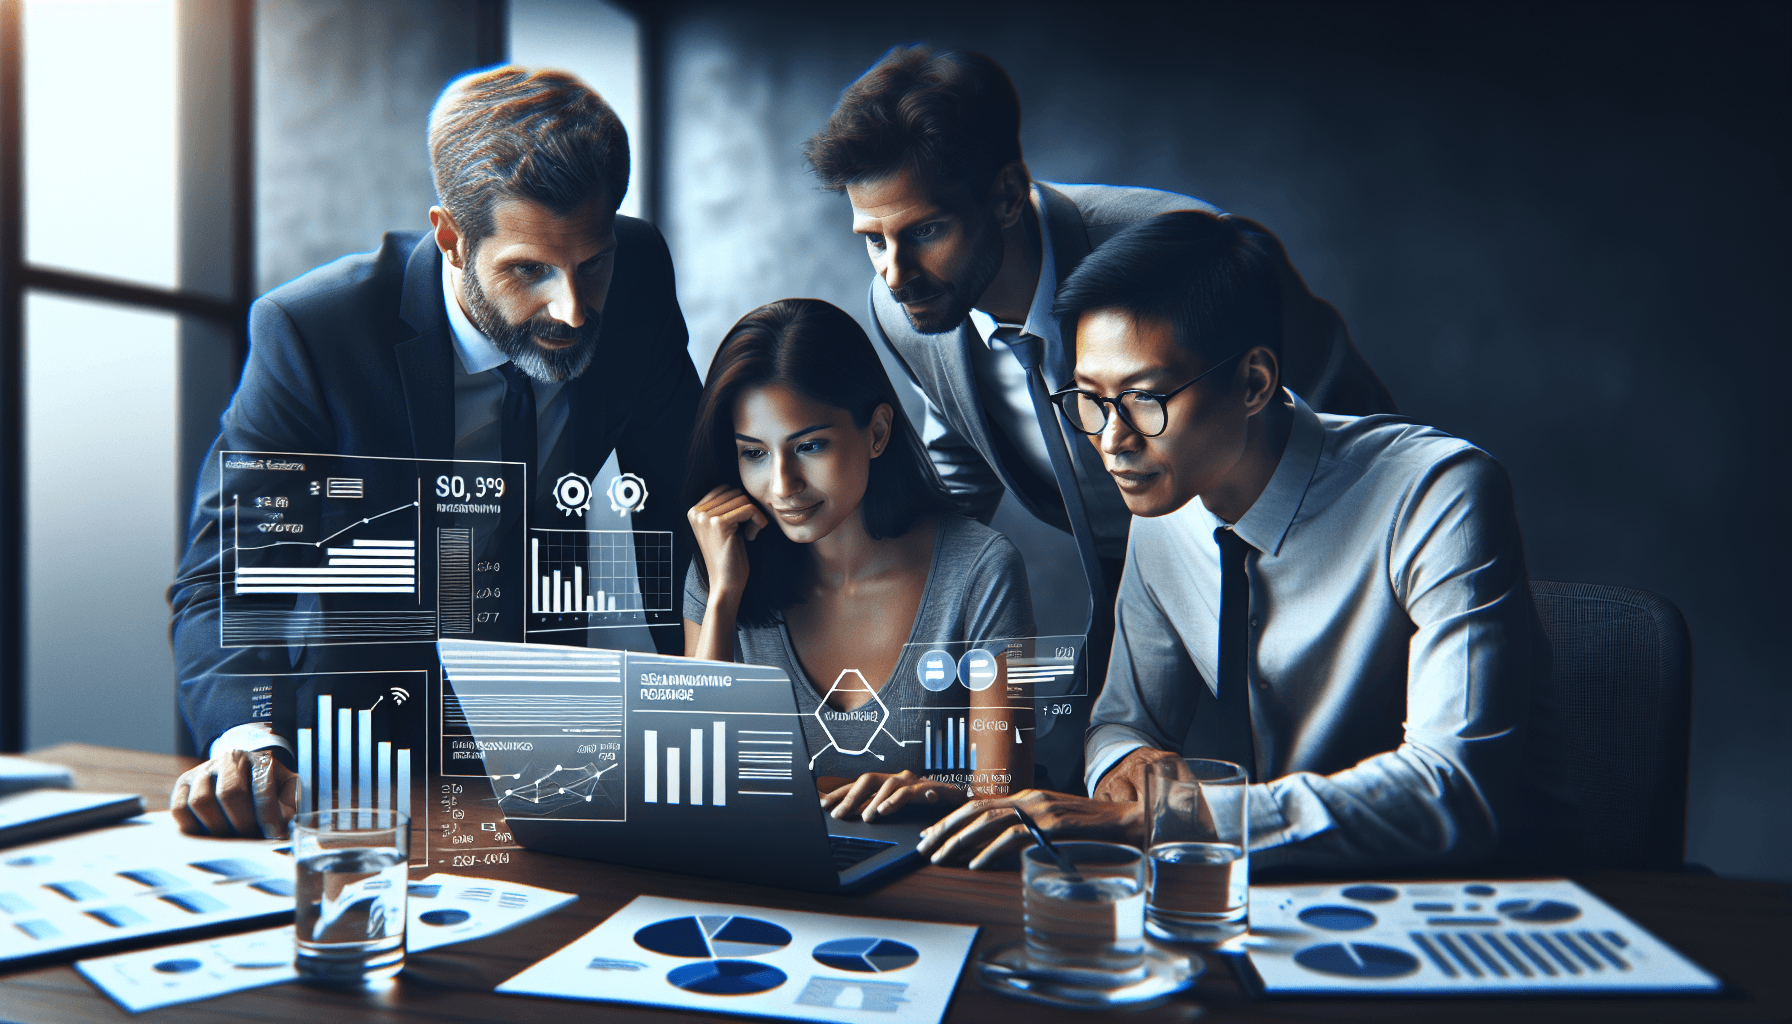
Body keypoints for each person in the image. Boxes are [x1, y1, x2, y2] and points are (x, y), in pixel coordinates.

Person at [805, 45, 1397, 793]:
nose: (894, 274)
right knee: (1117, 792)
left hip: (1304, 574)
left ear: (1008, 196)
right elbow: (960, 449)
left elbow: (1353, 424)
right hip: (1130, 599)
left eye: (924, 232)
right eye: (872, 240)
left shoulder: (1186, 252)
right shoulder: (904, 310)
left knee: (1330, 803)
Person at [913, 211, 1572, 871]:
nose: (1112, 441)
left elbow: (1452, 791)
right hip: (1271, 896)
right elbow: (1122, 723)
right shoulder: (1165, 499)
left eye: (1144, 398)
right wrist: (1133, 767)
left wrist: (1164, 817)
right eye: (1089, 399)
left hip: (1480, 898)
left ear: (1254, 383)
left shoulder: (1436, 493)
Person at [167, 66, 702, 838]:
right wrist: (250, 736)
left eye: (592, 264)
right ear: (451, 238)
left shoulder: (640, 272)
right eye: (528, 271)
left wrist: (725, 713)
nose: (574, 309)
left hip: (543, 717)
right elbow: (225, 573)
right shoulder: (316, 334)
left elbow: (686, 505)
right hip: (354, 738)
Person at [682, 299, 1035, 821]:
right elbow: (690, 782)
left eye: (809, 447)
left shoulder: (983, 572)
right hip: (767, 884)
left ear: (877, 433)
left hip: (934, 882)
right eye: (754, 453)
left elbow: (1005, 800)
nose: (782, 487)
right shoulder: (722, 565)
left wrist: (936, 793)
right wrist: (723, 598)